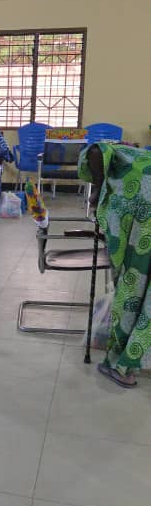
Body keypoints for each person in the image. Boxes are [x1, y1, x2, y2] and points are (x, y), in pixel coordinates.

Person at [80, 141, 150, 388]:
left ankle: (122, 365)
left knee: (132, 294)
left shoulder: (119, 177)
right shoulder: (140, 161)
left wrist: (99, 197)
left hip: (141, 244)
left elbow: (117, 241)